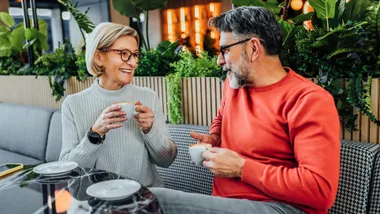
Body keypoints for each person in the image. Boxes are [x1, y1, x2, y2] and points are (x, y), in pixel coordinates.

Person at [149, 6, 340, 214]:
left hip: (283, 207)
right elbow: (222, 118)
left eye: (225, 50)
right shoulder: (234, 86)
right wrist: (214, 137)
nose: (219, 60)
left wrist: (241, 168)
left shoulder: (308, 100)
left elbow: (320, 190)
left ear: (253, 49)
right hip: (227, 203)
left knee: (154, 199)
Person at [59, 22, 177, 187]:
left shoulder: (147, 96)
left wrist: (150, 131)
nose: (133, 62)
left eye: (135, 54)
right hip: (98, 199)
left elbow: (167, 160)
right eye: (123, 53)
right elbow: (67, 172)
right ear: (99, 56)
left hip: (145, 197)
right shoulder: (73, 104)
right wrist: (95, 134)